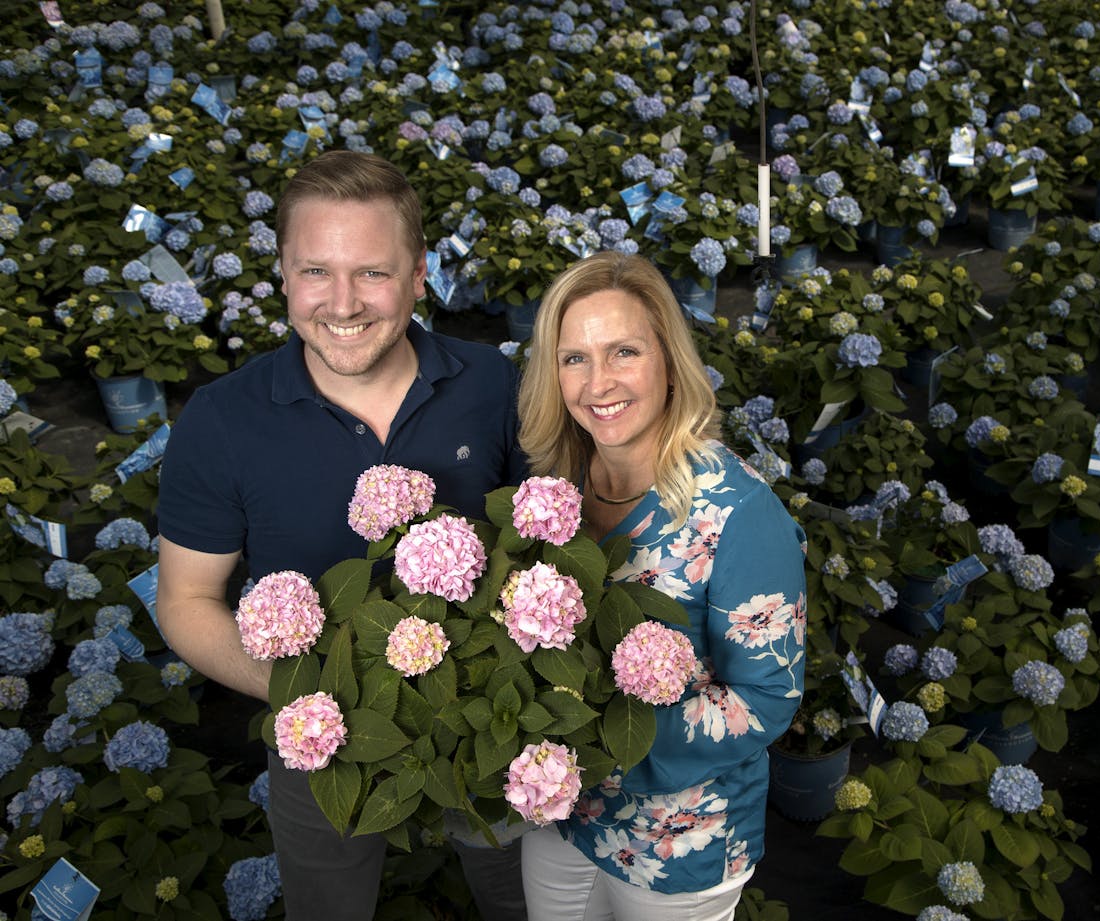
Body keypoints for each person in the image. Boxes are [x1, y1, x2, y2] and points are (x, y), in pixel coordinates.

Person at [155, 150, 528, 921]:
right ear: (284, 276)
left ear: (420, 274)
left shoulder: (493, 383)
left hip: (487, 713)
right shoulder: (222, 419)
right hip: (314, 725)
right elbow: (186, 598)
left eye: (373, 272)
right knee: (328, 902)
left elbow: (552, 537)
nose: (344, 302)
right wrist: (304, 700)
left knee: (523, 893)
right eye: (316, 271)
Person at [516, 251, 807, 920]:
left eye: (624, 351)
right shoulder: (557, 486)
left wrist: (596, 736)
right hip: (562, 817)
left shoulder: (738, 513)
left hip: (679, 845)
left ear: (669, 362)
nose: (599, 382)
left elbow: (764, 700)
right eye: (574, 358)